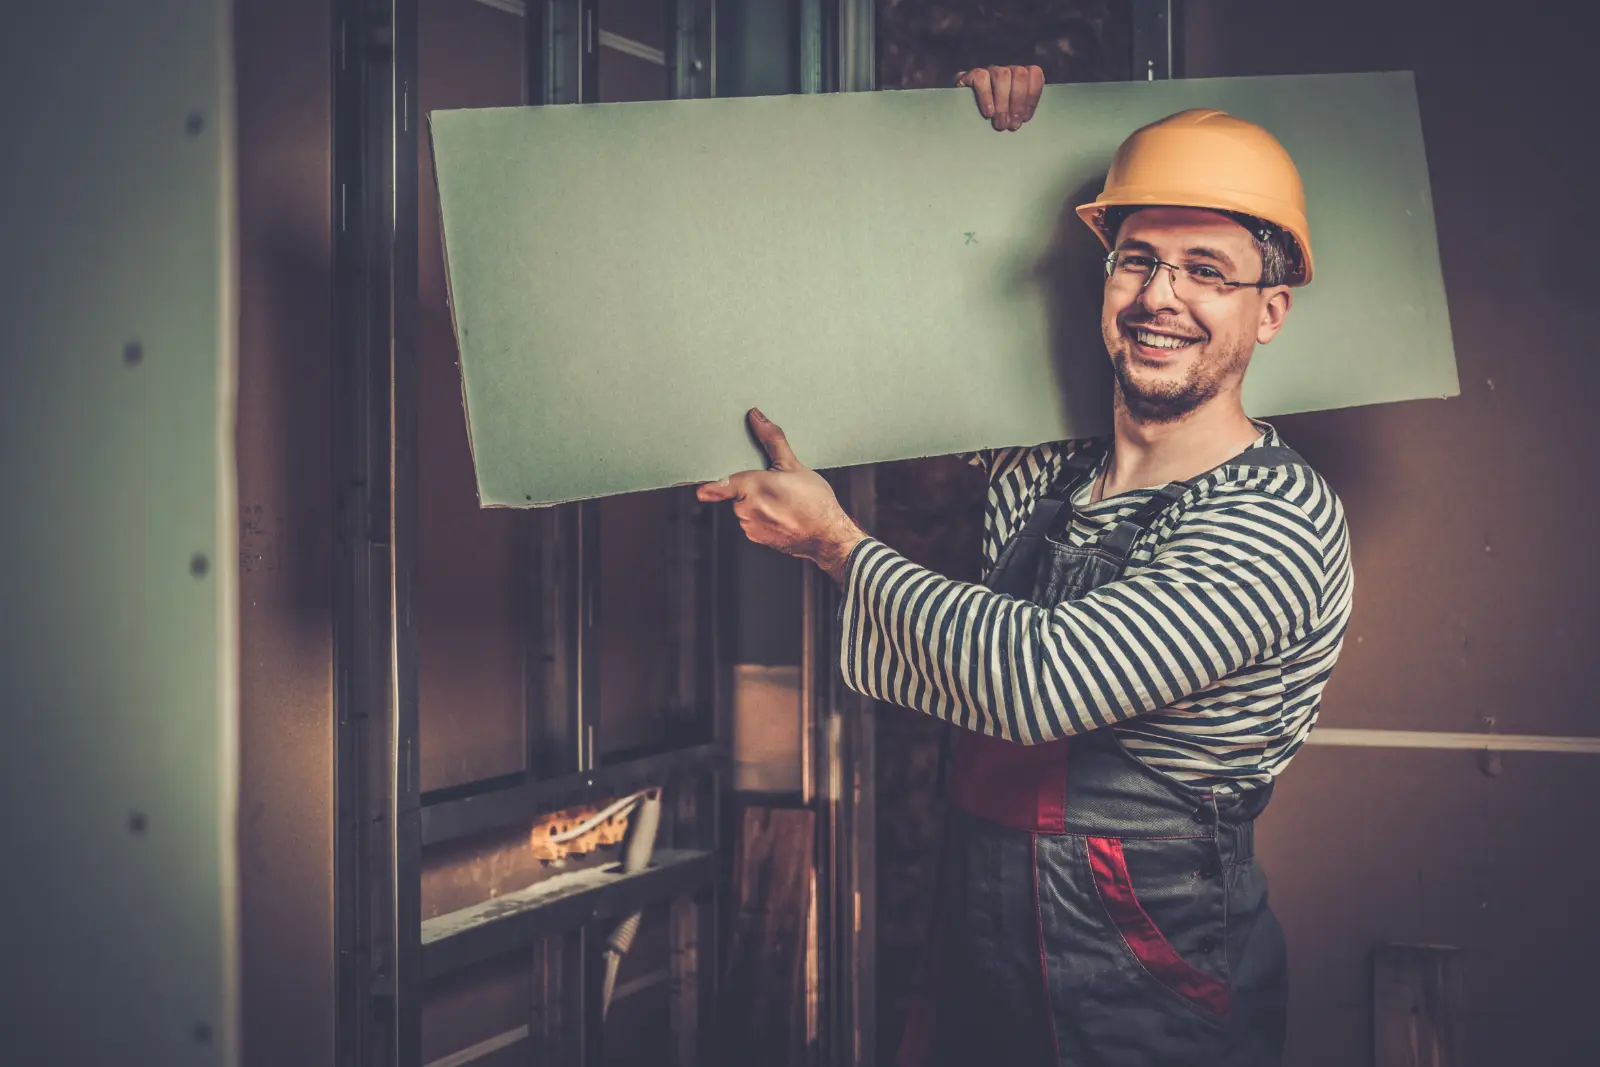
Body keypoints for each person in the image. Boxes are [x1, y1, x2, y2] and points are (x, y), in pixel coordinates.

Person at [698, 64, 1353, 1066]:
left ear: (1268, 312)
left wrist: (833, 542)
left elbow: (1035, 677)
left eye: (1206, 270)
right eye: (1134, 261)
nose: (1159, 297)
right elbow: (902, 316)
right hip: (982, 900)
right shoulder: (1045, 465)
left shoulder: (1272, 516)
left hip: (1147, 941)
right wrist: (975, 139)